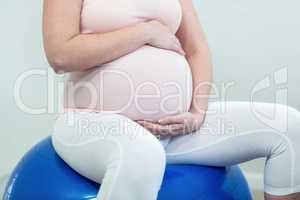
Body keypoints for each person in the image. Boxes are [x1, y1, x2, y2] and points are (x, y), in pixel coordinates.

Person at [43, 0, 300, 199]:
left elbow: (197, 49)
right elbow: (61, 55)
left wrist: (196, 113)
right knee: (141, 152)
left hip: (173, 132)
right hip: (90, 124)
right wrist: (145, 31)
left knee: (287, 126)